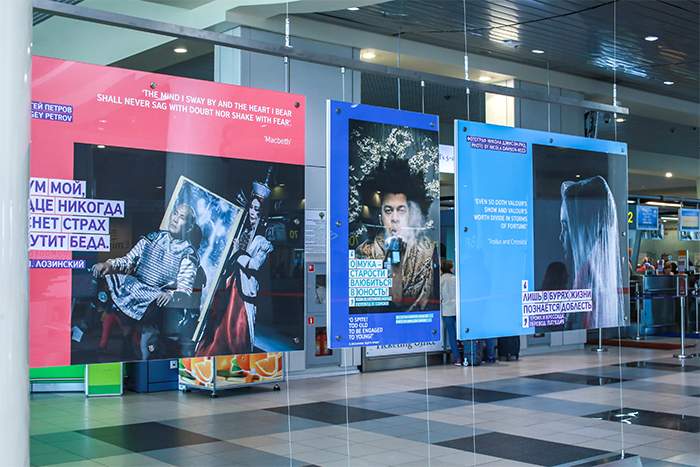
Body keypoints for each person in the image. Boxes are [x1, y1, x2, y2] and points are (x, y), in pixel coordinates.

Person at [92, 203, 200, 359]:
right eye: (175, 214)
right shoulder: (152, 238)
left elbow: (185, 288)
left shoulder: (187, 253)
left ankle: (146, 362)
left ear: (189, 227)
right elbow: (128, 260)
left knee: (148, 343)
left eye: (182, 217)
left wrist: (171, 294)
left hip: (155, 304)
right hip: (134, 290)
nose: (175, 219)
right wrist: (108, 264)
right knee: (107, 299)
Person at [197, 173, 273, 355]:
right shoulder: (239, 231)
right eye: (252, 208)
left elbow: (254, 265)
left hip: (244, 291)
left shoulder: (263, 241)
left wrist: (238, 251)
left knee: (237, 330)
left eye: (257, 210)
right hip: (228, 284)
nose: (253, 213)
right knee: (218, 327)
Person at [356, 158, 438, 311]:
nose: (394, 218)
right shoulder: (365, 251)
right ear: (380, 216)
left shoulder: (426, 252)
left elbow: (425, 301)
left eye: (401, 210)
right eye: (388, 210)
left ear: (410, 214)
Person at [559, 176, 624, 329]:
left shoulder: (584, 275)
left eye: (565, 226)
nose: (560, 236)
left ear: (583, 227)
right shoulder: (603, 273)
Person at [440, 259, 460, 366]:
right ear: (451, 268)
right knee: (461, 334)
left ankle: (457, 358)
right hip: (458, 309)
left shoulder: (441, 280)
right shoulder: (456, 279)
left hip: (447, 311)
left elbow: (439, 296)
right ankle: (467, 354)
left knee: (451, 335)